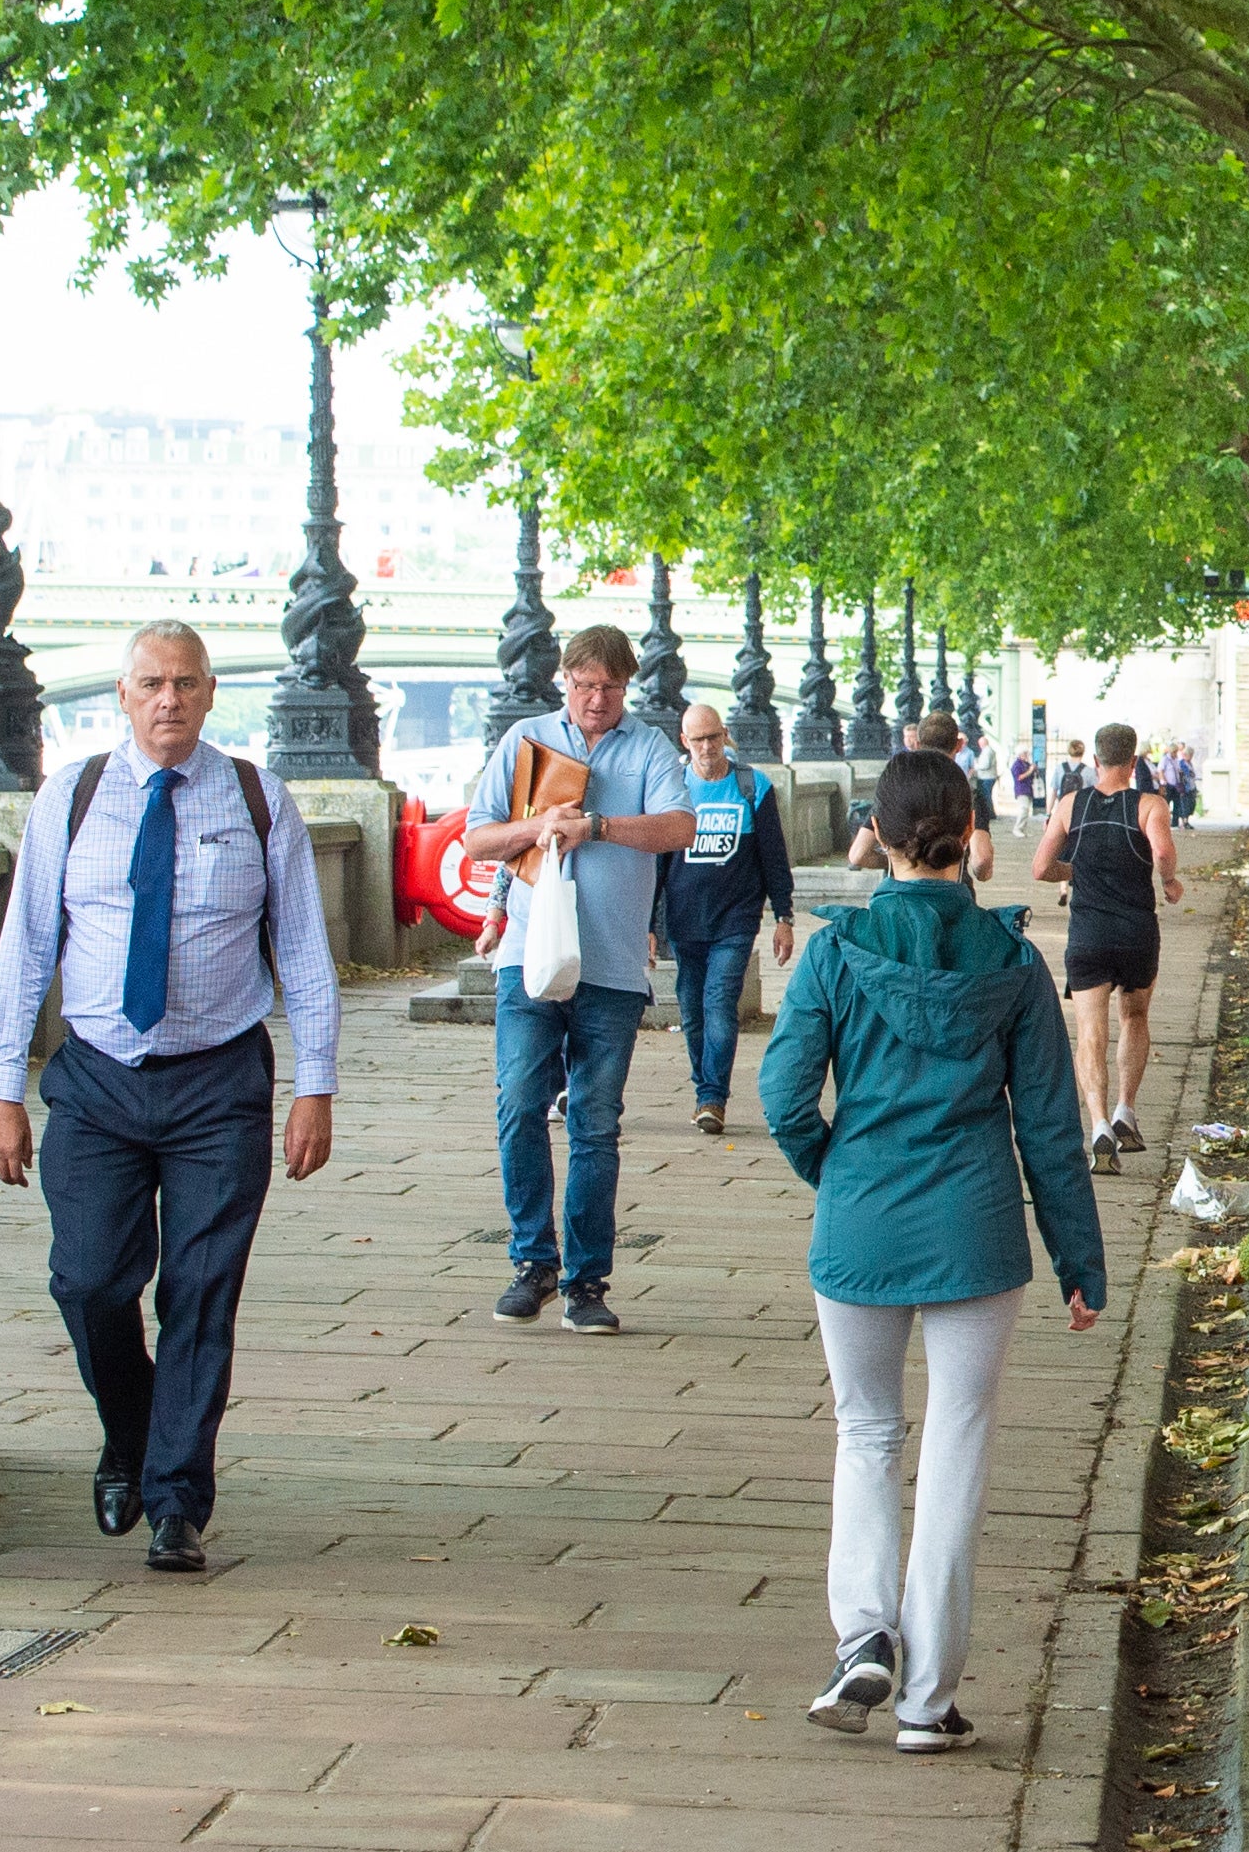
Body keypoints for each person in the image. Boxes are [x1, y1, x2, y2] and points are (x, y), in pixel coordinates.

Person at [761, 748, 1105, 1755]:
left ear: (875, 829)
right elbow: (1050, 1128)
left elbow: (784, 1098)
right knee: (956, 1448)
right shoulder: (1012, 963)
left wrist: (842, 1177)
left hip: (860, 1223)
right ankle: (927, 1704)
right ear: (967, 829)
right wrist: (1080, 1262)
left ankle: (861, 1635)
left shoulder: (835, 953)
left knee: (866, 1433)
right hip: (975, 1228)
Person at [0, 621, 338, 1575]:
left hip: (219, 1080)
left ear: (211, 693)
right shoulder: (73, 797)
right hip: (96, 1077)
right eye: (151, 683)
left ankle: (176, 1501)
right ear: (123, 696)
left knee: (199, 1292)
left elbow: (303, 951)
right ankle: (130, 1431)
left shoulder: (259, 798)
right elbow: (25, 950)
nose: (168, 698)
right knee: (89, 1279)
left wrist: (317, 1086)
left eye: (185, 682)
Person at [464, 625, 693, 1334]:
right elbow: (475, 837)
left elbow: (680, 828)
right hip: (529, 959)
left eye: (611, 687)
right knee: (518, 1102)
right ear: (564, 679)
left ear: (628, 688)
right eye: (586, 684)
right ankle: (532, 1258)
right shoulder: (525, 741)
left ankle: (586, 1278)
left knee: (595, 1120)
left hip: (614, 966)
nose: (598, 699)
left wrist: (596, 827)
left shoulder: (650, 745)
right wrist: (537, 827)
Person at [1030, 720, 1178, 1170]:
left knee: (1091, 1033)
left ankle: (1097, 1125)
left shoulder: (1071, 805)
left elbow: (1040, 868)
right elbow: (1162, 854)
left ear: (1096, 761)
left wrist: (1074, 872)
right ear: (1133, 762)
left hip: (1088, 935)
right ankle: (1125, 1111)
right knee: (1134, 1016)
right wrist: (1168, 881)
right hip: (1136, 933)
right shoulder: (1150, 804)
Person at [664, 702, 800, 1136]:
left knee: (719, 1002)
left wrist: (784, 916)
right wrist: (648, 925)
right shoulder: (672, 788)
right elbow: (655, 863)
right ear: (684, 742)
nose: (707, 747)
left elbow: (774, 857)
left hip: (735, 921)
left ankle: (712, 1098)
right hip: (684, 920)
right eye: (698, 740)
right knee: (691, 1006)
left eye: (713, 737)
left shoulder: (751, 786)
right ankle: (704, 1085)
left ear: (725, 736)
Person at [847, 712, 995, 882]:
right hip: (952, 893)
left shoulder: (896, 786)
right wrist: (982, 874)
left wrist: (901, 862)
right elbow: (981, 859)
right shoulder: (968, 793)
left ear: (917, 744)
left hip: (899, 893)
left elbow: (858, 855)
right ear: (959, 744)